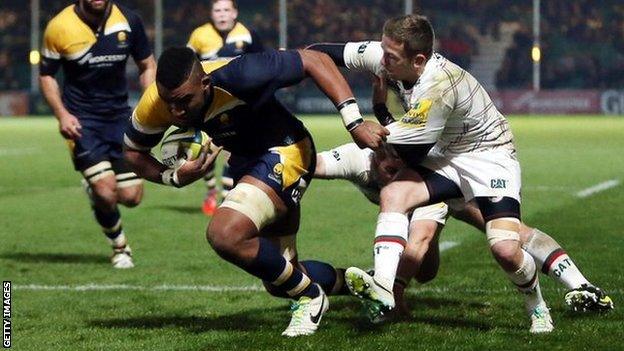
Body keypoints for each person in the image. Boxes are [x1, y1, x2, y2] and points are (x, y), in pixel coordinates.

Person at [308, 14, 555, 333]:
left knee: (505, 249)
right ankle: (384, 288)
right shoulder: (390, 56)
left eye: (390, 56)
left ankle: (537, 307)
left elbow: (410, 151)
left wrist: (363, 121)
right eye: (382, 50)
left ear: (419, 60)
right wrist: (288, 59)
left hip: (489, 155)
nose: (382, 60)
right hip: (448, 155)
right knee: (394, 193)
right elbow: (321, 52)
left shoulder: (437, 88)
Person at [123, 47, 387, 337]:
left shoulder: (241, 73)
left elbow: (315, 59)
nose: (176, 112)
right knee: (279, 279)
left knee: (225, 234)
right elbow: (133, 153)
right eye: (168, 102)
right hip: (248, 163)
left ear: (205, 84)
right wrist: (172, 177)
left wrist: (355, 122)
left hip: (287, 150)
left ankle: (311, 297)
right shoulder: (156, 103)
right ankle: (361, 283)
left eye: (184, 101)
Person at [314, 141, 614, 320]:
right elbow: (310, 164)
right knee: (425, 272)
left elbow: (418, 239)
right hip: (408, 205)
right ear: (374, 151)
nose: (392, 163)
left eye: (400, 159)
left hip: (443, 188)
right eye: (386, 157)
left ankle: (583, 286)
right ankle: (392, 286)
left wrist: (395, 295)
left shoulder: (417, 170)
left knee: (508, 233)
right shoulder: (356, 156)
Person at [39, 0, 156, 269]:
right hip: (82, 121)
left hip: (119, 118)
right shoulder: (59, 26)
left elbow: (147, 64)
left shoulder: (129, 20)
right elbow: (46, 75)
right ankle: (120, 248)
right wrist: (62, 115)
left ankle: (94, 190)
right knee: (106, 191)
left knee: (131, 197)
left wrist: (146, 103)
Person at [187, 0, 265, 216]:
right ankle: (212, 190)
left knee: (234, 151)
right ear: (211, 13)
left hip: (238, 104)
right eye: (217, 10)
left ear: (235, 13)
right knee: (202, 151)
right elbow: (187, 68)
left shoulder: (248, 35)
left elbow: (262, 65)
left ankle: (226, 198)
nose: (222, 15)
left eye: (226, 10)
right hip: (206, 106)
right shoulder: (199, 35)